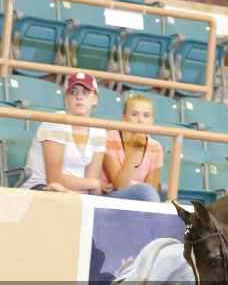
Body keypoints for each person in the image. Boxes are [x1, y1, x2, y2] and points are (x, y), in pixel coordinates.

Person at [21, 72, 157, 201]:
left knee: (144, 193)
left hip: (77, 194)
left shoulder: (98, 130)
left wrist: (96, 187)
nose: (79, 97)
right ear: (66, 99)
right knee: (58, 189)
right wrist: (93, 184)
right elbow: (55, 179)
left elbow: (92, 178)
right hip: (42, 189)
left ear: (95, 99)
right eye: (73, 92)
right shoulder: (55, 122)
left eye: (85, 92)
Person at [102, 94, 164, 201]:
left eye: (146, 115)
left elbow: (152, 190)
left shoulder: (156, 147)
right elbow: (119, 186)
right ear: (124, 117)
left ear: (152, 120)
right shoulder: (110, 138)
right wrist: (136, 149)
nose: (140, 120)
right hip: (110, 197)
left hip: (141, 199)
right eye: (134, 114)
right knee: (146, 191)